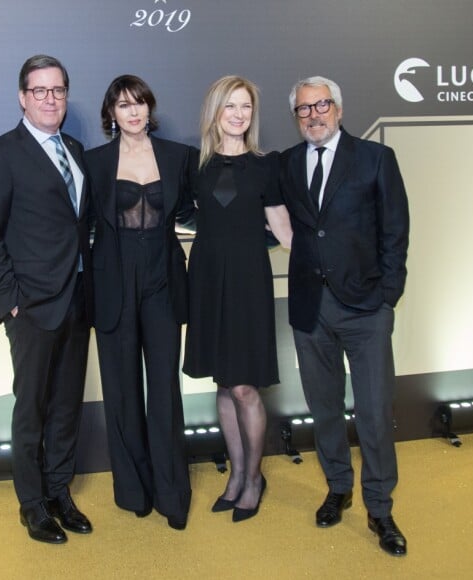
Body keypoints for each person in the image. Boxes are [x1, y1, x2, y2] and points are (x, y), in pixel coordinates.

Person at [279, 76, 409, 556]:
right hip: (311, 310)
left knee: (375, 412)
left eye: (322, 105)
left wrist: (387, 297)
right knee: (324, 408)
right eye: (304, 109)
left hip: (366, 309)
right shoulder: (288, 164)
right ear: (295, 117)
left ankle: (380, 508)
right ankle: (338, 487)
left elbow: (396, 231)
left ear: (339, 108)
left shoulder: (375, 158)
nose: (314, 115)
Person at [0, 55, 93, 544]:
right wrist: (11, 303)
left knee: (67, 407)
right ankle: (32, 505)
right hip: (33, 308)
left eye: (58, 90)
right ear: (23, 97)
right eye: (40, 91)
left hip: (79, 301)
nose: (50, 99)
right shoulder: (0, 154)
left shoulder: (79, 150)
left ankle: (60, 493)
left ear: (66, 96)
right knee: (32, 409)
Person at [84, 75, 194, 530]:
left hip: (163, 279)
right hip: (113, 280)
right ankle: (134, 490)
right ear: (111, 113)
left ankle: (172, 493)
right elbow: (76, 226)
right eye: (123, 105)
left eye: (139, 103)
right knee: (122, 389)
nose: (132, 112)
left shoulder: (179, 157)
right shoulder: (93, 162)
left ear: (150, 108)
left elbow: (196, 213)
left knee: (165, 389)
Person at [183, 76, 292, 523]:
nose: (239, 114)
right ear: (215, 111)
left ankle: (253, 478)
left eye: (245, 106)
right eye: (230, 106)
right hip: (207, 279)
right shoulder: (195, 165)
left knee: (245, 384)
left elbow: (284, 231)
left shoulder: (268, 166)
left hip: (248, 282)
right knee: (223, 383)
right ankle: (235, 474)